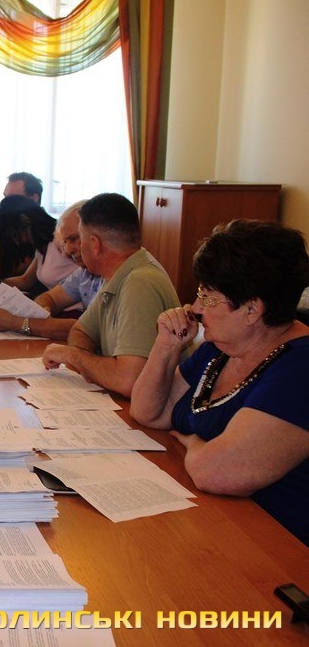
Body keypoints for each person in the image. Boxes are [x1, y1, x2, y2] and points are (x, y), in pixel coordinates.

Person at [131, 220, 309, 546]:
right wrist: (166, 346)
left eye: (208, 297)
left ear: (252, 309)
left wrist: (192, 442)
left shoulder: (300, 368)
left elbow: (216, 472)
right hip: (210, 522)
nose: (196, 308)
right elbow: (149, 412)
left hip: (274, 548)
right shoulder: (222, 347)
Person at [41, 193, 180, 397]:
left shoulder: (139, 282)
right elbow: (81, 331)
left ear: (95, 244)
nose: (72, 249)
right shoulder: (117, 275)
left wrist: (75, 357)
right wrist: (92, 367)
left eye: (80, 239)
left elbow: (128, 380)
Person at [0, 200, 104, 340]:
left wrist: (15, 323)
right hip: (60, 322)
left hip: (70, 319)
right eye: (66, 242)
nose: (67, 251)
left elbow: (87, 329)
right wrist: (40, 309)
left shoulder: (112, 277)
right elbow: (50, 297)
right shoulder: (83, 272)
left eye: (74, 239)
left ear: (96, 239)